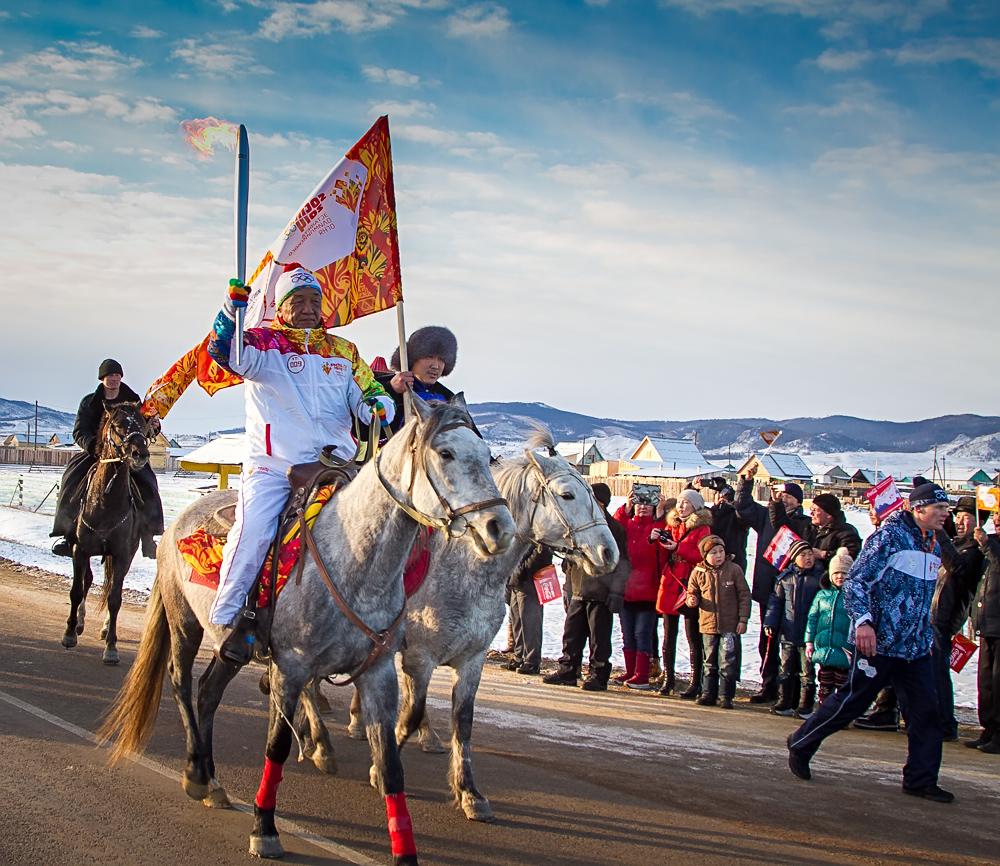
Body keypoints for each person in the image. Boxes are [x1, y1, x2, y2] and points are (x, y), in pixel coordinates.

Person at [206, 264, 394, 663]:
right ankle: (231, 617)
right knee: (255, 531)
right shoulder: (262, 344)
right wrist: (229, 313)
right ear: (282, 306)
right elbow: (223, 353)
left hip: (336, 467)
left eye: (314, 300)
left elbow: (369, 392)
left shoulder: (343, 351)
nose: (308, 308)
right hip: (276, 467)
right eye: (298, 301)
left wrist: (378, 405)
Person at [787, 482, 955, 803]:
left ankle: (921, 778)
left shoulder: (933, 544)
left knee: (925, 712)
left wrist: (926, 632)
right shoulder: (889, 537)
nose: (945, 515)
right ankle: (801, 743)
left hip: (914, 646)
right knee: (852, 703)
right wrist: (863, 622)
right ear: (918, 509)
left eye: (946, 509)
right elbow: (856, 581)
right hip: (877, 642)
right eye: (939, 508)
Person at [50, 359, 163, 559]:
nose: (114, 379)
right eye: (110, 375)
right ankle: (67, 536)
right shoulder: (89, 402)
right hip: (96, 452)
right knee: (71, 479)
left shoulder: (134, 401)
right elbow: (80, 430)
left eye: (117, 375)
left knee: (149, 484)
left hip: (126, 455)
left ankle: (148, 537)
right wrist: (94, 447)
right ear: (102, 378)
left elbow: (141, 427)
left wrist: (153, 426)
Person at [543, 483, 631, 691]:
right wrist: (568, 578)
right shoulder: (580, 525)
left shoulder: (614, 528)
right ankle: (568, 670)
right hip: (578, 589)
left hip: (602, 592)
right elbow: (570, 556)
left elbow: (623, 563)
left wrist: (617, 591)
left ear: (602, 503)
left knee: (599, 638)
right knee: (571, 634)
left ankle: (598, 674)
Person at [932, 496, 985, 742]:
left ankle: (945, 723)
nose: (960, 522)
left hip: (946, 618)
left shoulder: (974, 552)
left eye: (967, 518)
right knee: (929, 671)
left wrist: (940, 533)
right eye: (959, 517)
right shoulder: (958, 543)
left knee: (939, 671)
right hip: (934, 615)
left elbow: (956, 566)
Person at [654, 488, 712, 698]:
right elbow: (660, 553)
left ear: (695, 506)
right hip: (671, 581)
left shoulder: (702, 528)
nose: (680, 505)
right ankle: (669, 679)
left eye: (686, 502)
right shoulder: (671, 524)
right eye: (679, 501)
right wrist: (656, 541)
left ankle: (696, 681)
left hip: (690, 583)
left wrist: (677, 548)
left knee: (692, 637)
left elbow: (702, 555)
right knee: (669, 636)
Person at [734, 461, 781, 703]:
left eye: (788, 495)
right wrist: (746, 481)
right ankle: (769, 685)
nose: (782, 497)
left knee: (794, 644)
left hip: (795, 591)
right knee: (767, 640)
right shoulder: (766, 517)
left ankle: (793, 690)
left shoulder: (803, 523)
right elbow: (742, 506)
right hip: (768, 587)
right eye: (779, 493)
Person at [685, 535, 751, 709]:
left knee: (727, 661)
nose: (719, 555)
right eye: (714, 552)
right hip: (708, 625)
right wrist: (692, 600)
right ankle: (708, 694)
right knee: (709, 662)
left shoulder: (734, 570)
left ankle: (726, 696)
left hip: (730, 625)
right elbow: (692, 593)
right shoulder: (698, 572)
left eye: (721, 551)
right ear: (705, 555)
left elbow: (745, 595)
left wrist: (743, 619)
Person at [612, 486, 664, 689]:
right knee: (628, 633)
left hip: (647, 591)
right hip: (627, 588)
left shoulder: (658, 527)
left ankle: (643, 674)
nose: (643, 508)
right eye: (639, 504)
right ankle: (631, 671)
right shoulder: (630, 525)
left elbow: (661, 551)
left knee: (643, 633)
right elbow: (616, 528)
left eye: (647, 504)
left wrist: (659, 515)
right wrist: (626, 507)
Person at [765, 539, 823, 717]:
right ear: (793, 558)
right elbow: (775, 603)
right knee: (787, 670)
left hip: (809, 636)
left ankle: (805, 705)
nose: (807, 558)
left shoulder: (819, 578)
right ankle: (785, 702)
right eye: (802, 555)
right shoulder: (785, 578)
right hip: (788, 633)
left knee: (807, 673)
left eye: (810, 554)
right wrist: (770, 622)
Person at [805, 547, 854, 707]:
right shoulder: (822, 595)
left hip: (844, 648)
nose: (840, 576)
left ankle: (841, 712)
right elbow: (812, 619)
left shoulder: (854, 597)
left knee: (843, 681)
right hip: (824, 647)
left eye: (844, 573)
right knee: (825, 681)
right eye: (836, 573)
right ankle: (824, 709)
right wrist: (810, 642)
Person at [969, 521, 1000, 753]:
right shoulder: (992, 543)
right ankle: (989, 728)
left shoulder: (992, 546)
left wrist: (988, 546)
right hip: (988, 622)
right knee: (986, 682)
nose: (997, 519)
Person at [505, 544, 553, 675]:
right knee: (517, 622)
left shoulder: (540, 532)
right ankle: (519, 656)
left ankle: (532, 661)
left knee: (531, 623)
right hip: (516, 581)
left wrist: (522, 569)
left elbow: (543, 552)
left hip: (530, 582)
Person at [699, 477, 749, 572]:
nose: (721, 496)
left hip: (733, 568)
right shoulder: (708, 514)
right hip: (709, 567)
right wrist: (693, 488)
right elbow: (689, 508)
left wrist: (730, 498)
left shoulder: (737, 516)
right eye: (719, 494)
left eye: (723, 494)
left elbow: (744, 510)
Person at [807, 493, 862, 572]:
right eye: (811, 509)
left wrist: (824, 554)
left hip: (831, 579)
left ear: (829, 514)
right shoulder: (809, 527)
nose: (811, 514)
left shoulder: (846, 532)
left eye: (815, 510)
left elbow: (852, 555)